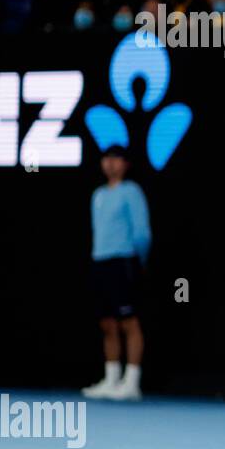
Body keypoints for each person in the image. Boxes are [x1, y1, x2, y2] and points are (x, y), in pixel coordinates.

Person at [82, 145, 151, 402]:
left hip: (124, 261)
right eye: (106, 159)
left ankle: (131, 382)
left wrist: (137, 260)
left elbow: (142, 232)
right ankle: (111, 379)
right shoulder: (98, 195)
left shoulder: (131, 191)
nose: (110, 164)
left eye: (116, 159)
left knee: (128, 321)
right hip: (100, 262)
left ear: (125, 164)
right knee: (107, 323)